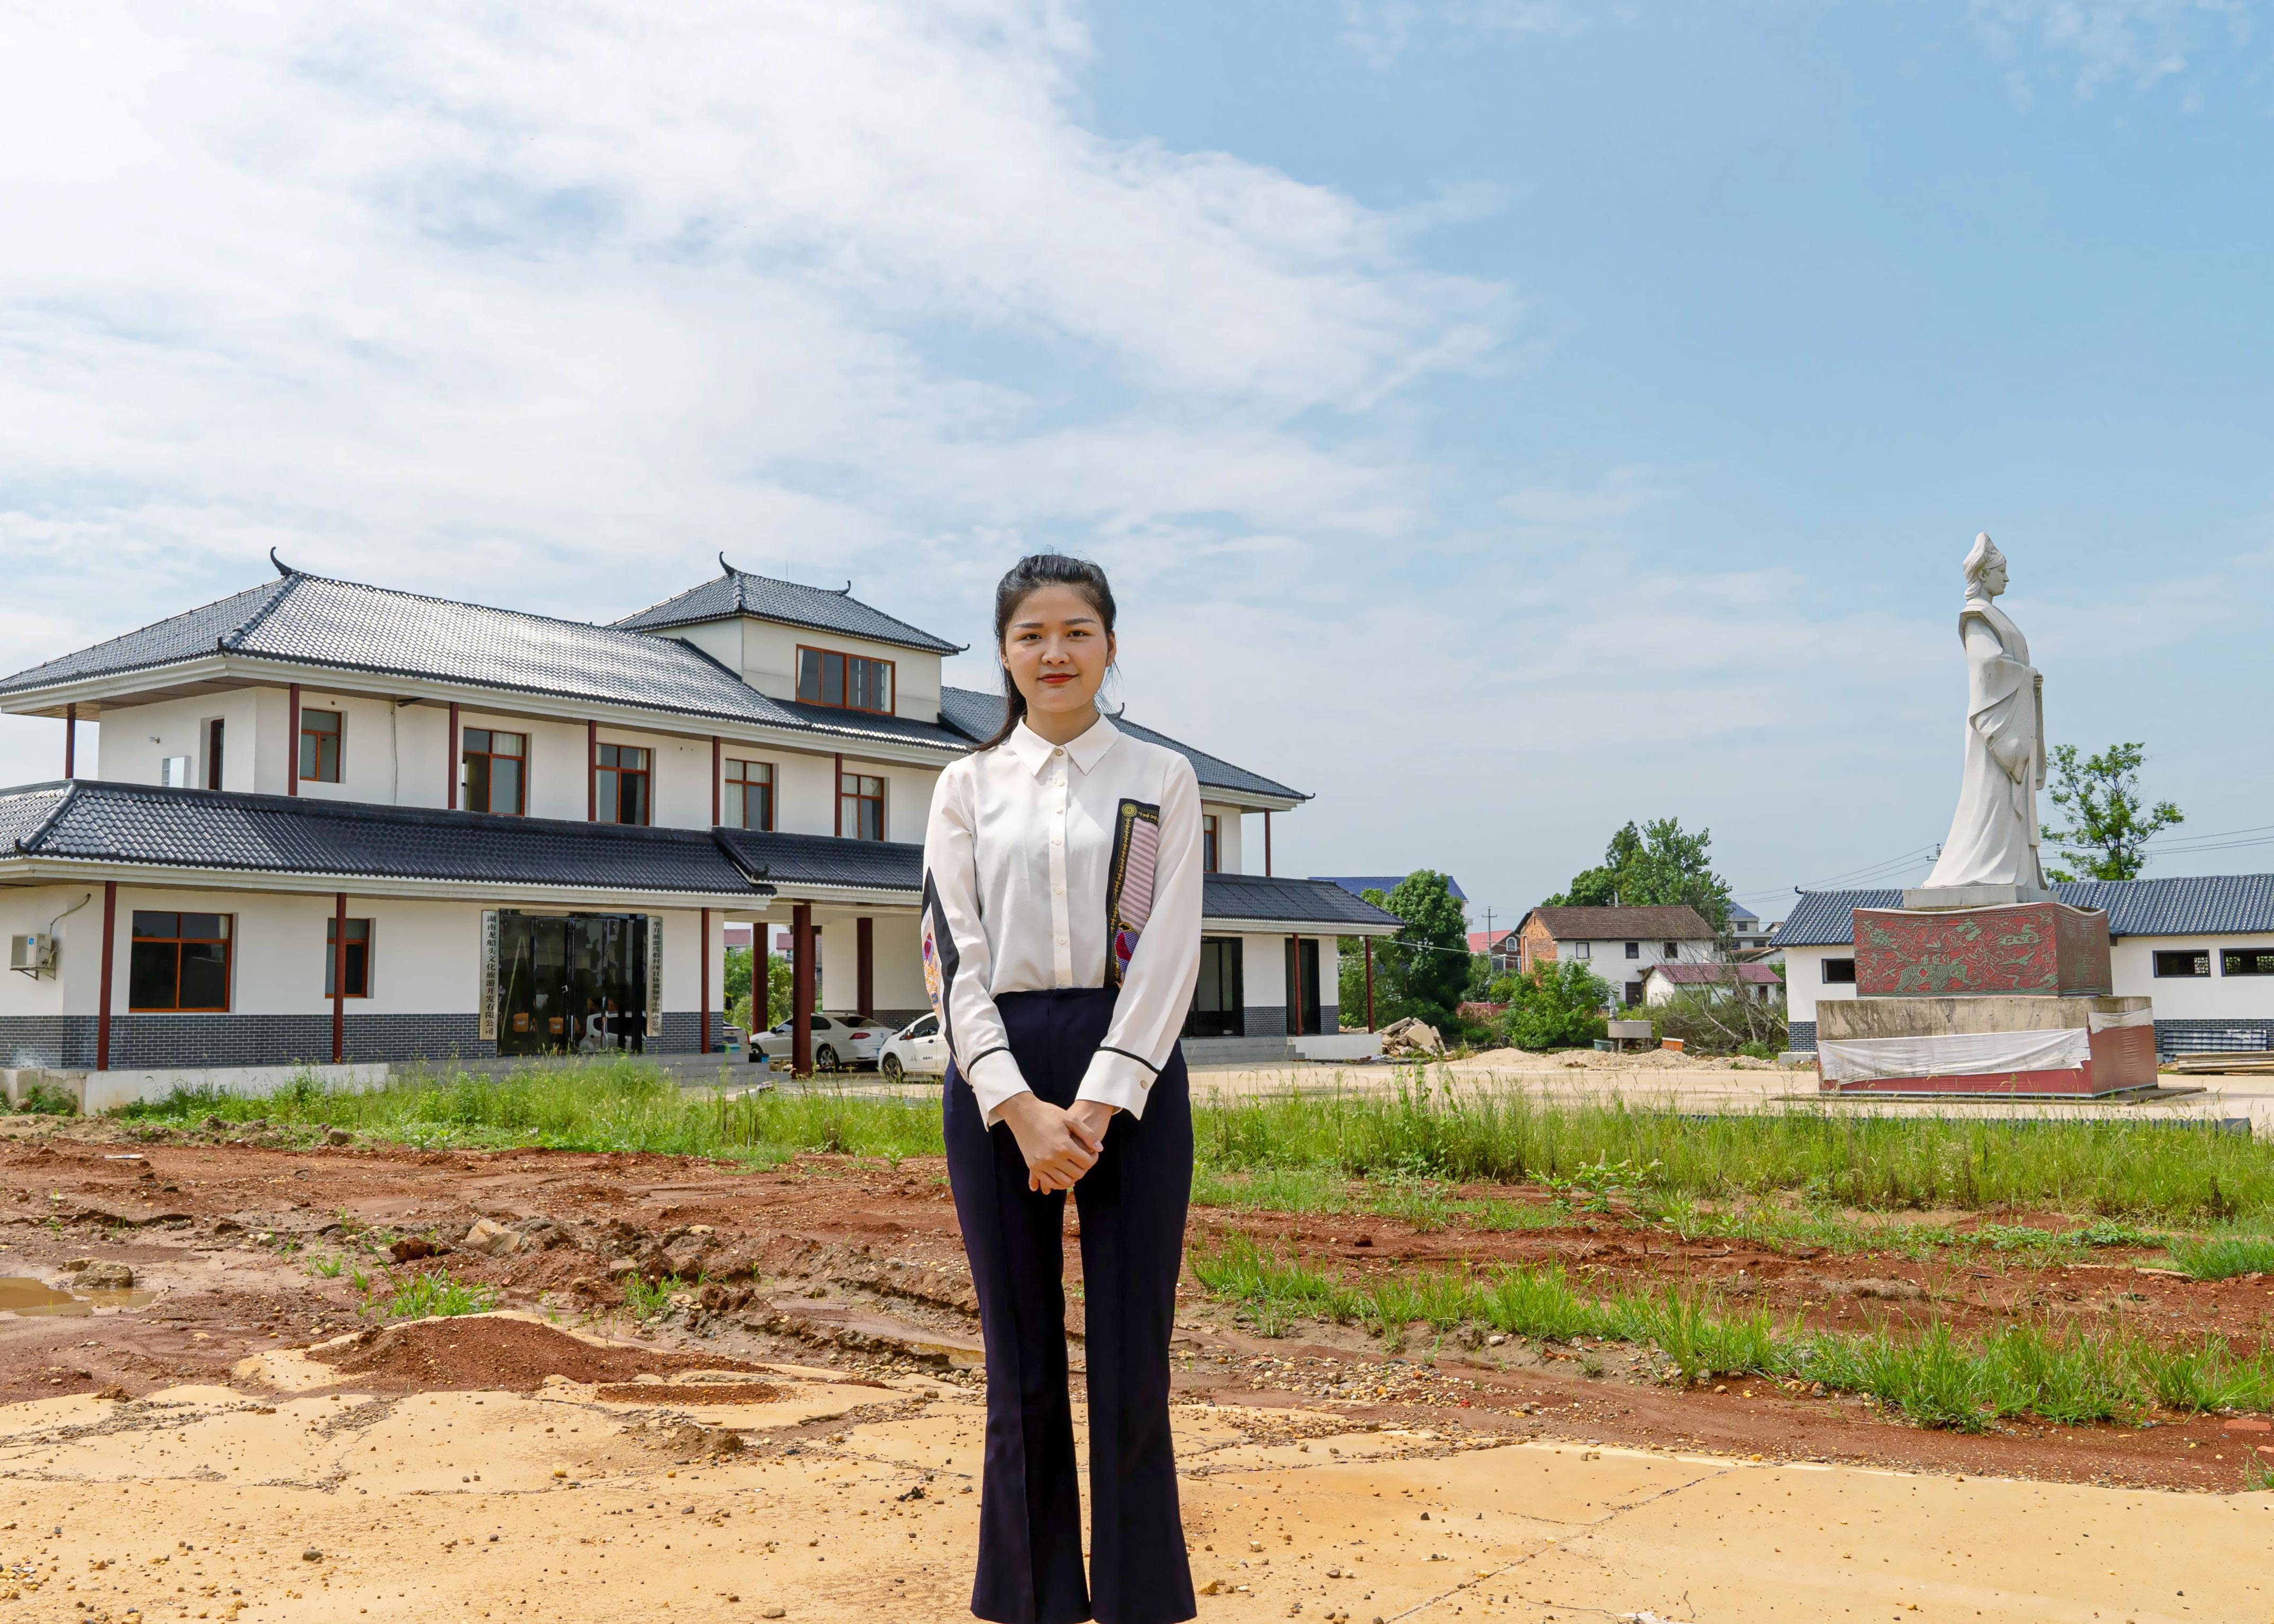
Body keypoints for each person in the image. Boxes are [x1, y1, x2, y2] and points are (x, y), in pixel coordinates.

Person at [921, 554, 1203, 1624]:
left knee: (1132, 1353)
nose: (1054, 652)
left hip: (1125, 1065)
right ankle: (1032, 1597)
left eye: (1076, 630)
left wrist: (1096, 1101)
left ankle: (1137, 1596)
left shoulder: (1154, 780)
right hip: (996, 1076)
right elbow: (952, 953)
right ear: (1002, 650)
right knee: (1022, 1356)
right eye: (1032, 632)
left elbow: (1161, 948)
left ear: (1110, 645)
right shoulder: (965, 786)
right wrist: (1014, 1101)